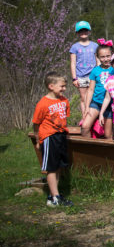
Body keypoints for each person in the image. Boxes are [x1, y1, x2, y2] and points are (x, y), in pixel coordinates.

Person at [32, 72, 73, 207]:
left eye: (65, 86)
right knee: (51, 167)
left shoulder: (64, 101)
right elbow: (36, 124)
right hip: (49, 137)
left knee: (59, 166)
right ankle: (54, 198)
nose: (64, 89)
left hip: (61, 136)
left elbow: (63, 119)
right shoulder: (43, 104)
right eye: (61, 86)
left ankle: (54, 194)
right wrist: (38, 141)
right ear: (51, 86)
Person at [80, 40, 114, 139]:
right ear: (98, 57)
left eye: (108, 56)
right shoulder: (95, 71)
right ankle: (89, 152)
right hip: (96, 103)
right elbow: (90, 90)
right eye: (102, 57)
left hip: (109, 105)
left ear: (112, 55)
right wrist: (87, 107)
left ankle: (108, 154)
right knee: (85, 127)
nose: (106, 59)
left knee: (108, 135)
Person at [69, 21, 98, 117]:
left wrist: (99, 73)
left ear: (89, 32)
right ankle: (85, 116)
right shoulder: (74, 47)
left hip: (93, 75)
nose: (83, 33)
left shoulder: (94, 46)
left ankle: (94, 116)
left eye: (85, 30)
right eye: (81, 31)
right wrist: (74, 78)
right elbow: (73, 63)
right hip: (81, 76)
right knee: (83, 97)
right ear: (77, 33)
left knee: (94, 96)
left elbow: (98, 60)